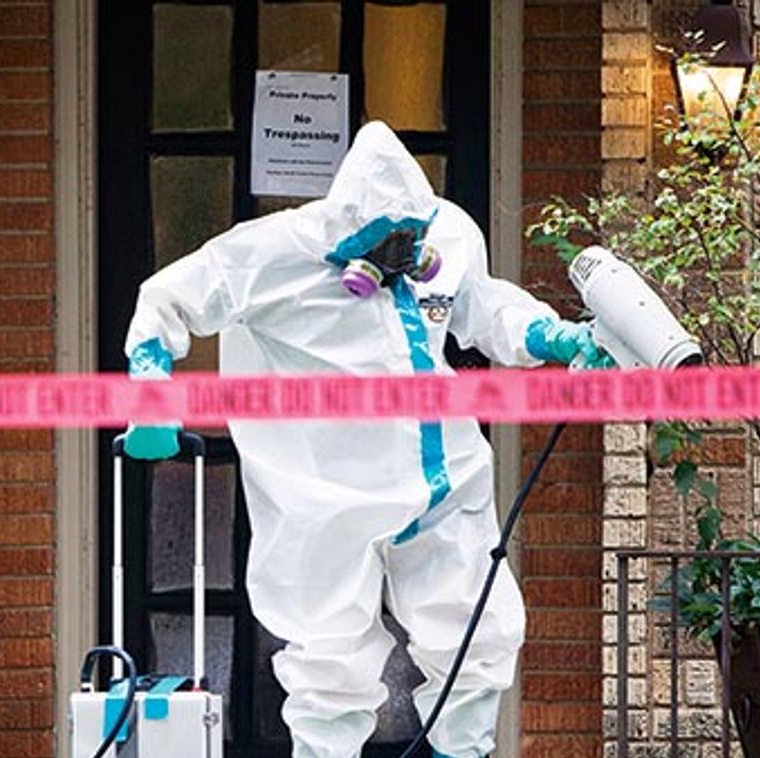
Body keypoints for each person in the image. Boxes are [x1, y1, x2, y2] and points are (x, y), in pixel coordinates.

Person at [122, 121, 605, 758]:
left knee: (476, 636)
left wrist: (552, 336)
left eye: (414, 241)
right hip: (326, 493)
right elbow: (167, 300)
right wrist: (151, 392)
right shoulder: (273, 253)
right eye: (390, 245)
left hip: (444, 479)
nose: (407, 255)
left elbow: (480, 305)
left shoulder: (449, 234)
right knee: (330, 660)